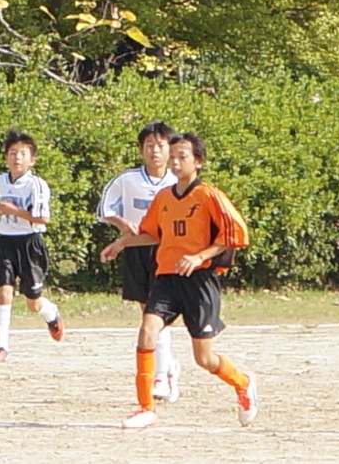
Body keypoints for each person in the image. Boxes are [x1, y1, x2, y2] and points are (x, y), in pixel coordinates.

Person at [100, 132, 257, 430]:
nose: (174, 162)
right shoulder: (164, 197)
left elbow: (234, 235)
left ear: (198, 161)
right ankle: (146, 407)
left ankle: (243, 383)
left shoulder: (209, 195)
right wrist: (122, 243)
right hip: (167, 278)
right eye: (172, 156)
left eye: (181, 156)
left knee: (204, 359)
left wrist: (200, 257)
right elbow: (152, 233)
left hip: (199, 282)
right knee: (148, 330)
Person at [97, 121, 181, 403]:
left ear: (170, 149)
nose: (155, 151)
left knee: (157, 315)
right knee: (148, 311)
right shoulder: (128, 180)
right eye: (149, 146)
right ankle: (168, 367)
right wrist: (122, 224)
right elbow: (105, 208)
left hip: (167, 252)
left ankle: (162, 376)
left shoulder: (177, 182)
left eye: (160, 145)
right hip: (136, 249)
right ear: (141, 150)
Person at [0, 129, 64, 362]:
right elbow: (2, 206)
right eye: (13, 153)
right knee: (3, 292)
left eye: (23, 153)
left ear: (32, 159)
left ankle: (51, 313)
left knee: (32, 302)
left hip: (30, 244)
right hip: (5, 241)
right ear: (6, 157)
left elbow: (43, 218)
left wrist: (13, 211)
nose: (17, 158)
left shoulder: (37, 185)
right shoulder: (1, 181)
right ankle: (1, 347)